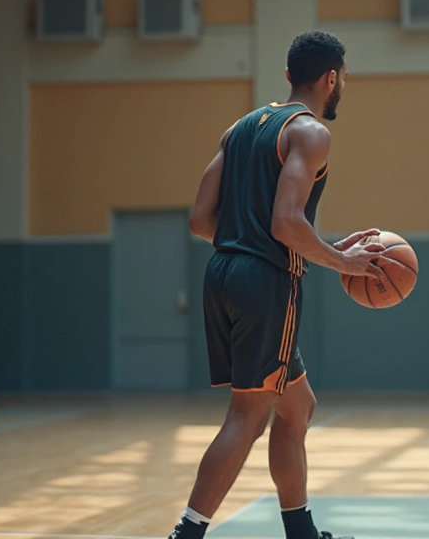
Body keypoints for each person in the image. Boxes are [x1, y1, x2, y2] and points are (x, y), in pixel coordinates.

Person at [169, 30, 383, 539]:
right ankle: (187, 534)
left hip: (222, 273)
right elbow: (287, 224)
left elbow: (200, 220)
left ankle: (301, 532)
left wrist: (250, 240)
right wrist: (344, 262)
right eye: (343, 79)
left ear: (289, 75)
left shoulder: (241, 128)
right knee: (248, 415)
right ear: (331, 78)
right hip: (266, 282)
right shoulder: (311, 133)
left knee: (297, 405)